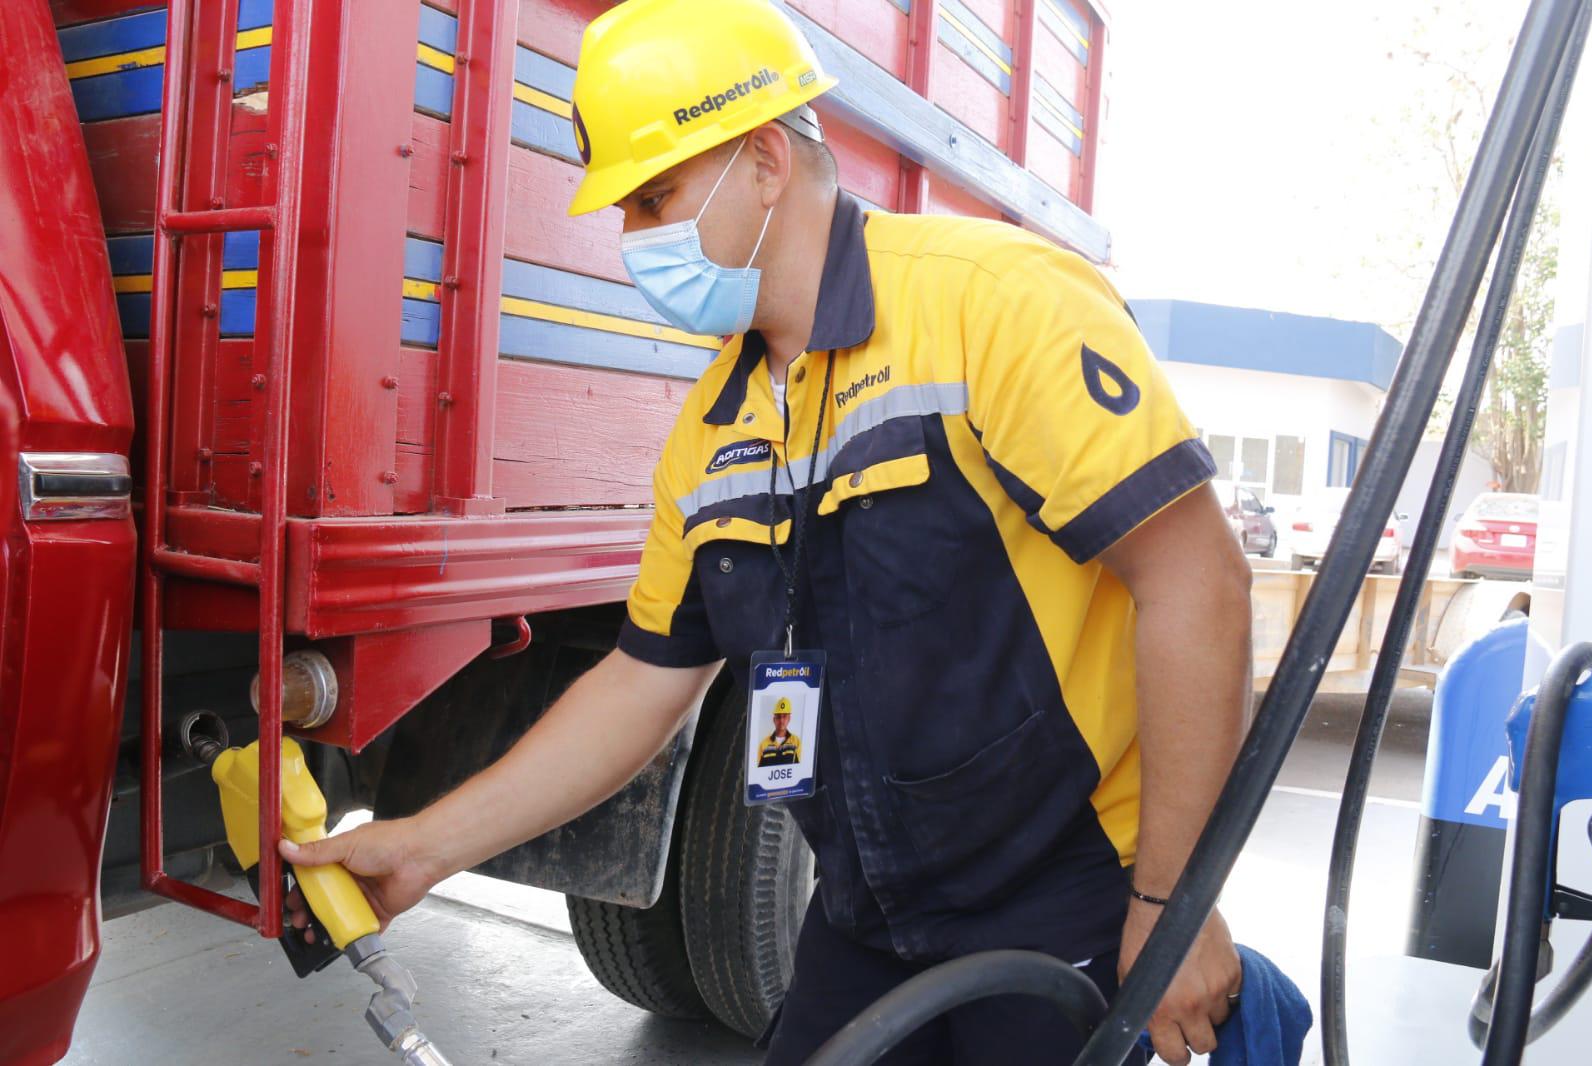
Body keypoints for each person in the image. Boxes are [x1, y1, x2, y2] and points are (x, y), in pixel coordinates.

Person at [279, 1, 1252, 1062]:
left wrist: (1175, 899)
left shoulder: (995, 306)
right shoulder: (711, 433)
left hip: (1069, 898)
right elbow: (642, 684)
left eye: (656, 197)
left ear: (763, 158)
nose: (635, 240)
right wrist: (422, 846)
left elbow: (1195, 579)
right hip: (865, 916)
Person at [758, 699, 801, 767]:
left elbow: (799, 769)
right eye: (778, 717)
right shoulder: (764, 744)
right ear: (774, 719)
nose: (781, 720)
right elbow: (758, 771)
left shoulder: (796, 742)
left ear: (789, 719)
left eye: (784, 716)